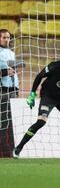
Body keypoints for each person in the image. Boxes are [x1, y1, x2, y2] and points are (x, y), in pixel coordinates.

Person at [0, 29, 18, 157]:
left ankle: (10, 149)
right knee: (3, 121)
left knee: (12, 121)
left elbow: (14, 72)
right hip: (2, 90)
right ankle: (4, 151)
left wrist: (16, 88)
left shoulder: (12, 53)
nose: (7, 40)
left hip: (13, 90)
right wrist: (6, 72)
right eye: (4, 37)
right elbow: (7, 72)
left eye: (8, 37)